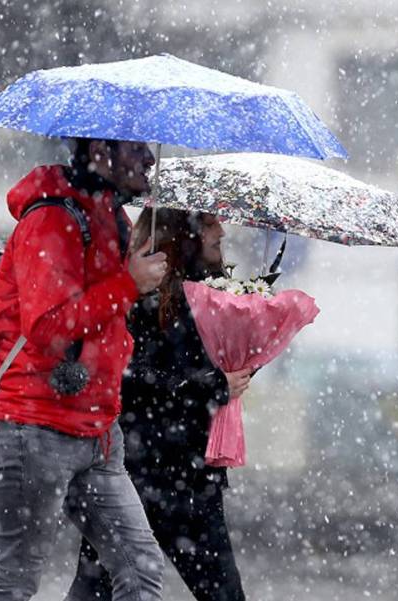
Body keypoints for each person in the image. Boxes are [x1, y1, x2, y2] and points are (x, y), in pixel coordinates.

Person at [0, 138, 168, 601]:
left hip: (98, 432)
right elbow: (48, 326)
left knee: (140, 569)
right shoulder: (51, 219)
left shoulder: (112, 219)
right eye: (134, 147)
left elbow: (109, 318)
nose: (149, 158)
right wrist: (128, 283)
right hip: (34, 427)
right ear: (99, 150)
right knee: (13, 582)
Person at [68, 207, 253, 601]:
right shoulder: (139, 295)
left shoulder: (215, 293)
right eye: (208, 223)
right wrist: (210, 386)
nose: (220, 229)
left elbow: (210, 374)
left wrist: (244, 361)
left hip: (192, 477)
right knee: (96, 590)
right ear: (182, 233)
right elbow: (131, 378)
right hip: (136, 474)